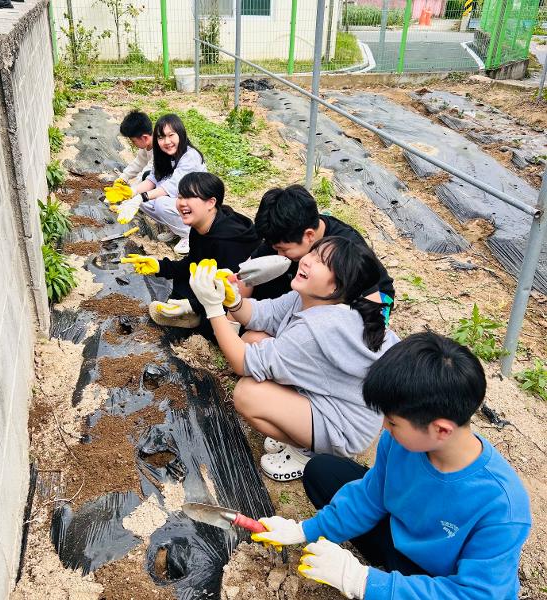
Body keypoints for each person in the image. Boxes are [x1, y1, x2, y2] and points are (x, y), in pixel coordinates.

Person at [251, 332, 532, 599]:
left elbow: (476, 595)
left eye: (394, 422)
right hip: (401, 535)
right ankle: (390, 571)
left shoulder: (501, 507)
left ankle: (393, 579)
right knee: (323, 471)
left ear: (441, 430)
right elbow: (371, 496)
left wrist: (363, 581)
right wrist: (305, 530)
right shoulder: (400, 443)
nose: (384, 426)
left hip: (440, 576)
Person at [188, 237, 400, 481]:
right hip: (331, 397)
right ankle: (301, 428)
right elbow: (261, 315)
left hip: (344, 425)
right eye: (314, 253)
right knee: (254, 338)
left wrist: (213, 308)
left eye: (321, 262)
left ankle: (309, 452)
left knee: (247, 394)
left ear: (335, 288)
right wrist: (232, 299)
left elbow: (242, 362)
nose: (308, 261)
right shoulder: (312, 300)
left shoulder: (318, 329)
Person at [122, 172, 259, 338]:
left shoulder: (229, 241)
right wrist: (159, 266)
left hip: (241, 297)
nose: (182, 203)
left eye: (190, 197)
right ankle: (191, 314)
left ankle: (193, 315)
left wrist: (193, 305)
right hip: (214, 283)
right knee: (185, 278)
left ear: (211, 202)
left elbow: (230, 289)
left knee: (212, 330)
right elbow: (193, 263)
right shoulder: (200, 225)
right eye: (180, 197)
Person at [246, 185, 394, 322]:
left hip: (373, 297)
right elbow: (249, 270)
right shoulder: (287, 233)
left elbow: (373, 305)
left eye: (284, 250)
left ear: (309, 235)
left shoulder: (347, 249)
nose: (279, 255)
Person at [116, 113, 207, 254]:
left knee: (160, 203)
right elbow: (152, 179)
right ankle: (176, 229)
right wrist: (131, 193)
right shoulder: (163, 154)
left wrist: (141, 196)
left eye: (171, 135)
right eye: (161, 137)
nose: (166, 141)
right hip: (182, 198)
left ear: (181, 134)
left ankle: (191, 234)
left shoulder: (190, 156)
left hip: (199, 202)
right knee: (142, 200)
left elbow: (170, 187)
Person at [118, 110, 154, 184]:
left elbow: (148, 172)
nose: (133, 144)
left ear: (145, 138)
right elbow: (139, 163)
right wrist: (123, 177)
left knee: (147, 175)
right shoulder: (146, 144)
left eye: (133, 141)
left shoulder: (162, 149)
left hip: (174, 184)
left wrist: (133, 190)